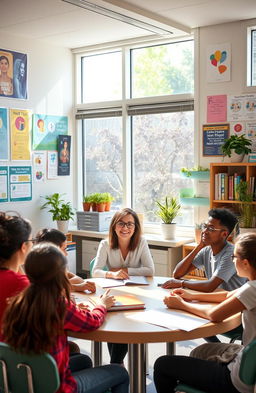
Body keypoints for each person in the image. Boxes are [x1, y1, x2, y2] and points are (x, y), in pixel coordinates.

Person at [1, 243, 129, 393]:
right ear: (60, 273)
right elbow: (92, 322)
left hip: (21, 379)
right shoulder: (58, 304)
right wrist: (101, 305)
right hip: (59, 388)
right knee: (119, 372)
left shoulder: (17, 300)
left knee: (84, 361)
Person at [153, 232, 256, 393]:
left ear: (245, 263)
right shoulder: (252, 285)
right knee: (199, 352)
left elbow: (214, 315)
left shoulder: (252, 290)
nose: (232, 260)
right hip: (249, 364)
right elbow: (229, 295)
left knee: (162, 365)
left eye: (234, 257)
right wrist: (191, 295)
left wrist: (181, 305)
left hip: (238, 380)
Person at [92, 207, 155, 365]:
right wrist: (111, 274)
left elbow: (150, 270)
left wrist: (126, 270)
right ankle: (117, 364)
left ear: (135, 227)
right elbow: (95, 271)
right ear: (114, 225)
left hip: (137, 292)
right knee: (113, 322)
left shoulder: (141, 242)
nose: (125, 228)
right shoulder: (105, 244)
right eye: (121, 223)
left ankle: (115, 364)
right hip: (112, 291)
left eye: (130, 224)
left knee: (127, 323)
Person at [162, 208, 245, 292]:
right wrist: (199, 246)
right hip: (216, 298)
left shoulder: (231, 254)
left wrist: (182, 283)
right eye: (205, 226)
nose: (204, 231)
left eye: (211, 229)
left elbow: (210, 286)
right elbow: (177, 274)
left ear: (224, 234)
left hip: (233, 301)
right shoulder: (206, 250)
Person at [35, 228, 96, 293]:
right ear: (53, 251)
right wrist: (77, 287)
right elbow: (51, 289)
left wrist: (65, 286)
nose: (66, 254)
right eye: (64, 249)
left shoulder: (59, 266)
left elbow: (79, 280)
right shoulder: (41, 271)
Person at [0, 212, 31, 328]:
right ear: (23, 246)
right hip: (12, 344)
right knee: (71, 346)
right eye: (31, 240)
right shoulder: (20, 284)